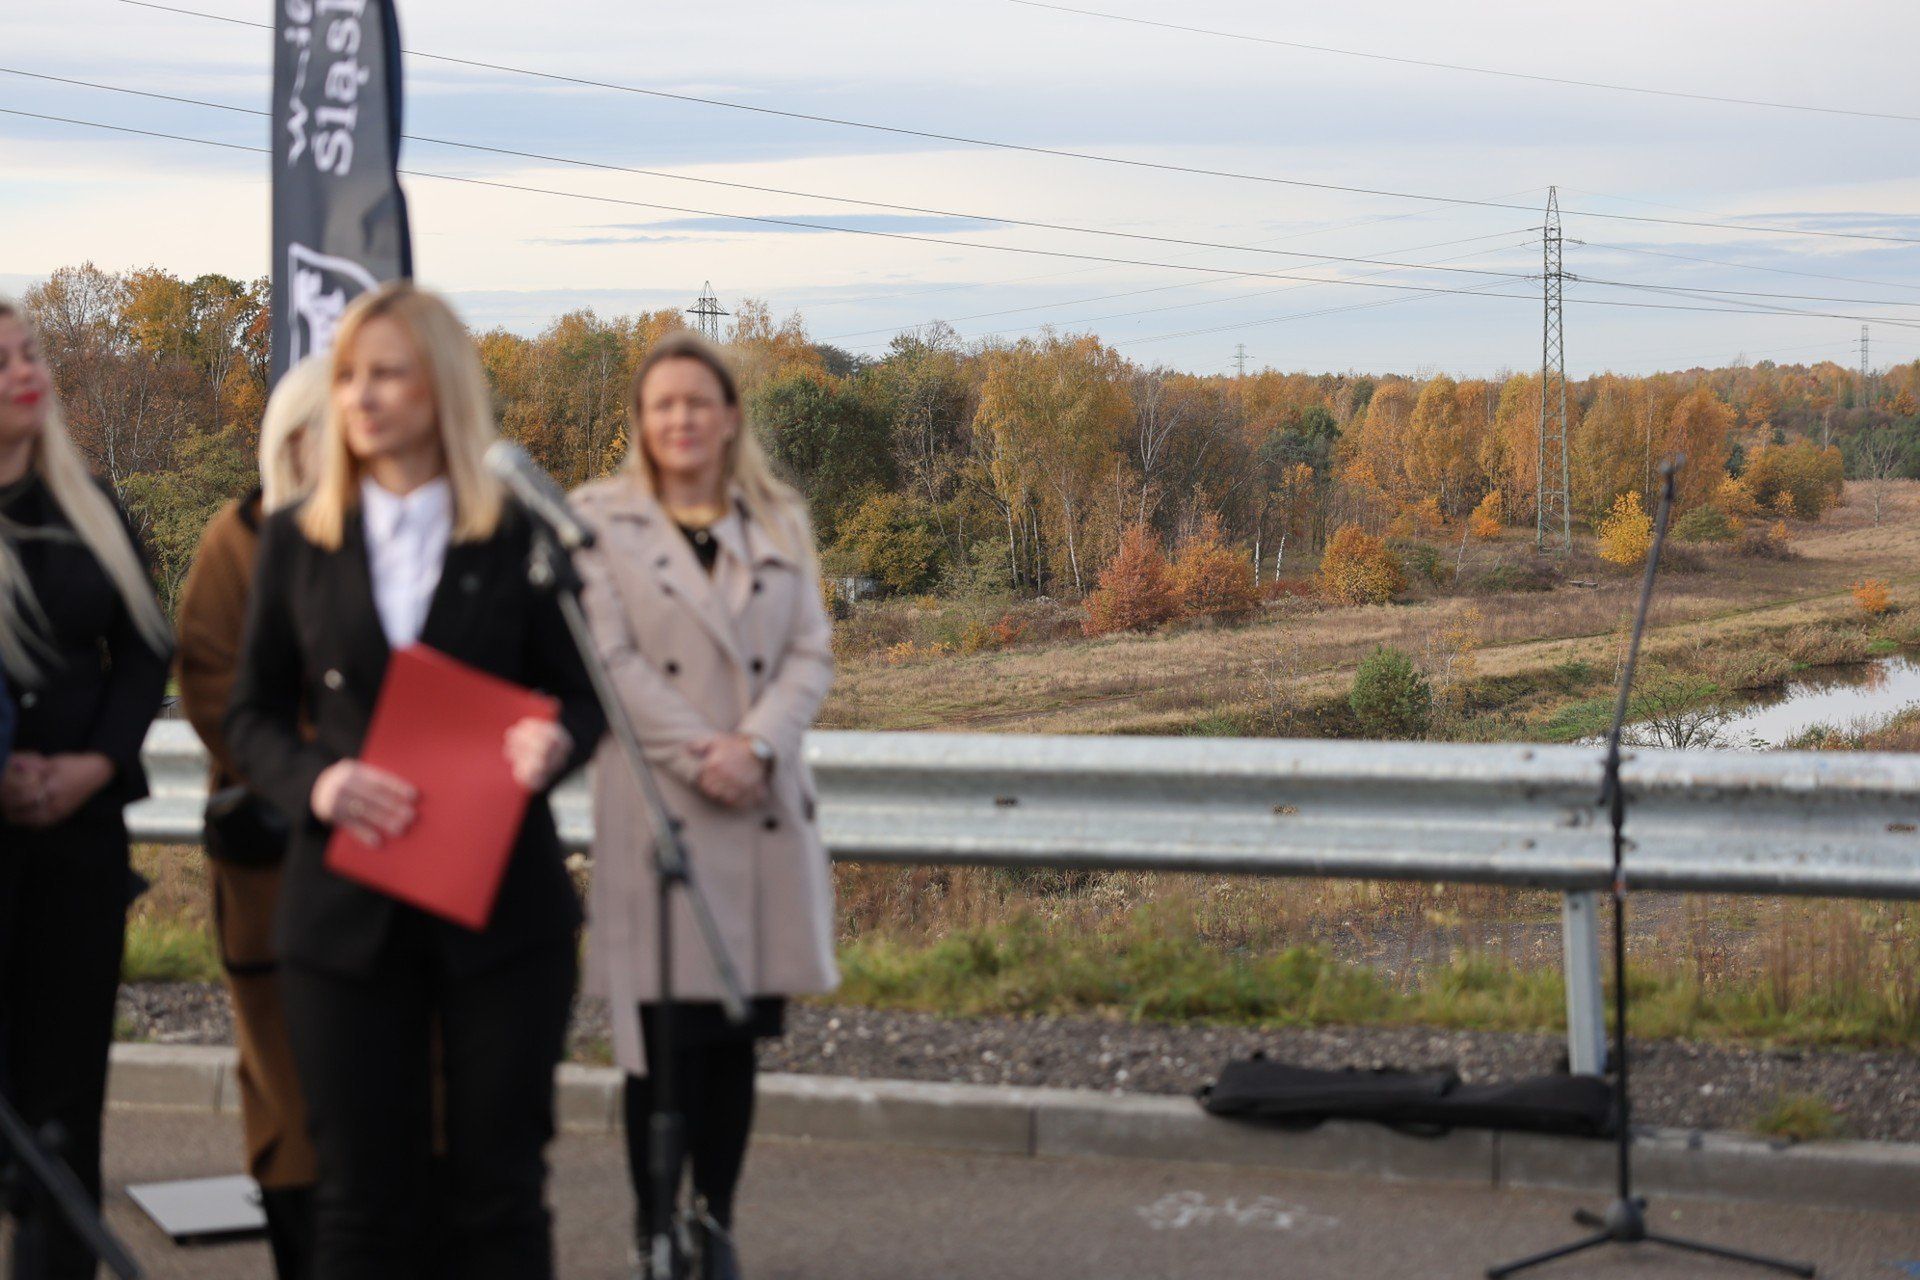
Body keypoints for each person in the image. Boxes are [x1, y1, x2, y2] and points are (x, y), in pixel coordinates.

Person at [224, 283, 604, 1280]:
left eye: (386, 371)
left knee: (499, 1196)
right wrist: (317, 780)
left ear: (441, 385)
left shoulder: (518, 536)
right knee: (362, 1203)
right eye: (348, 374)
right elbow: (250, 715)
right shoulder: (297, 538)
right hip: (346, 915)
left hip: (500, 914)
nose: (361, 394)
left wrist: (559, 738)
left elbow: (587, 696)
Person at [573, 332, 838, 1280]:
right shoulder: (595, 523)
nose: (680, 418)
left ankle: (715, 1220)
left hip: (757, 808)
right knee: (660, 1050)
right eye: (662, 404)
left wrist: (759, 744)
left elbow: (811, 651)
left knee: (731, 1045)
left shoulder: (778, 518)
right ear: (641, 423)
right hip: (660, 814)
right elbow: (609, 661)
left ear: (730, 418)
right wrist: (705, 753)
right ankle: (654, 1229)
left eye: (698, 402)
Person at [0, 297, 174, 1279]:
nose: (29, 370)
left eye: (31, 352)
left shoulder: (92, 506)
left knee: (67, 1109)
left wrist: (95, 765)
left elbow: (148, 651)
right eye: (3, 361)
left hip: (80, 845)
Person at [174, 356, 327, 1279]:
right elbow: (211, 688)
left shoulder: (399, 537)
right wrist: (323, 773)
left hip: (391, 872)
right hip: (277, 871)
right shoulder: (238, 542)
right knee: (292, 1104)